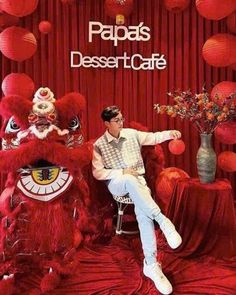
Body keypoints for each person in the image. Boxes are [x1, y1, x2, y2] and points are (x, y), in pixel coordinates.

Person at [92, 105, 182, 295]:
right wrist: (121, 171)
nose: (121, 122)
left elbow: (154, 137)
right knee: (129, 179)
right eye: (117, 120)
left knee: (144, 215)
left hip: (138, 184)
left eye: (122, 118)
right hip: (117, 182)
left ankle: (150, 264)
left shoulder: (132, 134)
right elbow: (98, 173)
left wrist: (170, 133)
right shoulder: (99, 145)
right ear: (107, 123)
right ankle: (163, 221)